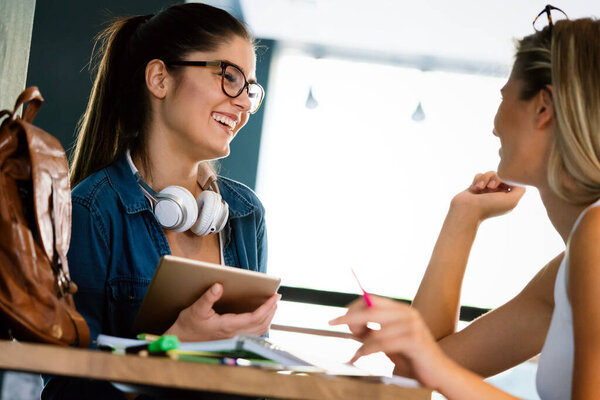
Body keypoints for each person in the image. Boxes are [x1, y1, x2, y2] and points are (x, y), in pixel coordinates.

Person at [330, 12, 600, 400]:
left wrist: (432, 363)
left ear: (543, 108)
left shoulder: (596, 233)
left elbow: (433, 367)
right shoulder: (568, 268)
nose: (494, 125)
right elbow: (416, 370)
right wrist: (464, 216)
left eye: (504, 95)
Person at [43, 2, 279, 398]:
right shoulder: (91, 211)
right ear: (159, 79)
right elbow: (67, 390)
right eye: (230, 77)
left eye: (250, 89)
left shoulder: (245, 214)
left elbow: (251, 374)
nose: (243, 103)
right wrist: (175, 343)